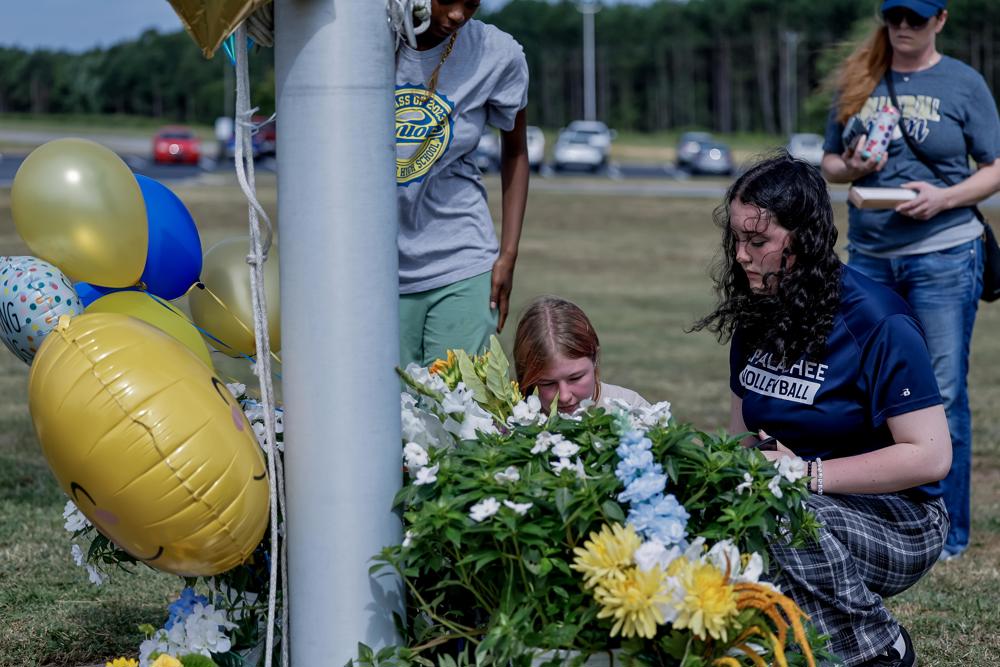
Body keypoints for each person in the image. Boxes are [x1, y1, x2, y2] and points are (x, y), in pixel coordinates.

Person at [694, 154, 952, 667]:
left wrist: (803, 475)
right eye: (737, 241)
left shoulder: (877, 320)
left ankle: (883, 648)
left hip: (902, 521)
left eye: (759, 241)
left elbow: (930, 457)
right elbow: (743, 439)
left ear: (805, 238)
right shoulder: (758, 311)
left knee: (780, 515)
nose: (742, 256)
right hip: (804, 506)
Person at [820, 0, 1000, 561]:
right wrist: (854, 169)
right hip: (869, 256)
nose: (902, 28)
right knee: (867, 391)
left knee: (941, 393)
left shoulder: (963, 83)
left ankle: (947, 532)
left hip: (943, 253)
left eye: (915, 19)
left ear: (940, 20)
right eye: (894, 16)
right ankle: (882, 510)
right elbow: (829, 161)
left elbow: (995, 166)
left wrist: (943, 198)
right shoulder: (860, 74)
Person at [396, 0, 530, 368]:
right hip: (374, 268)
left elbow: (516, 152)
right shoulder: (361, 41)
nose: (458, 15)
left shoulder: (497, 54)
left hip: (462, 259)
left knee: (458, 414)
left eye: (471, 3)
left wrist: (508, 255)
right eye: (446, 0)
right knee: (382, 414)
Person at [513, 296, 649, 413]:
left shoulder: (633, 410)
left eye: (575, 378)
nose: (564, 396)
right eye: (548, 383)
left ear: (594, 357)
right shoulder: (506, 421)